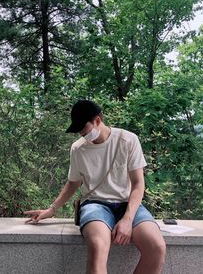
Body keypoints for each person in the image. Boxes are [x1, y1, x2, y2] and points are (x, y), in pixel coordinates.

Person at [24, 99, 166, 274]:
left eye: (84, 129)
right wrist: (52, 209)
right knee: (98, 247)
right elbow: (73, 182)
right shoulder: (78, 149)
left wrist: (127, 220)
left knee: (157, 247)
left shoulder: (128, 140)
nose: (81, 135)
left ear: (97, 120)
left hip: (127, 204)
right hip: (95, 204)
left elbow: (138, 184)